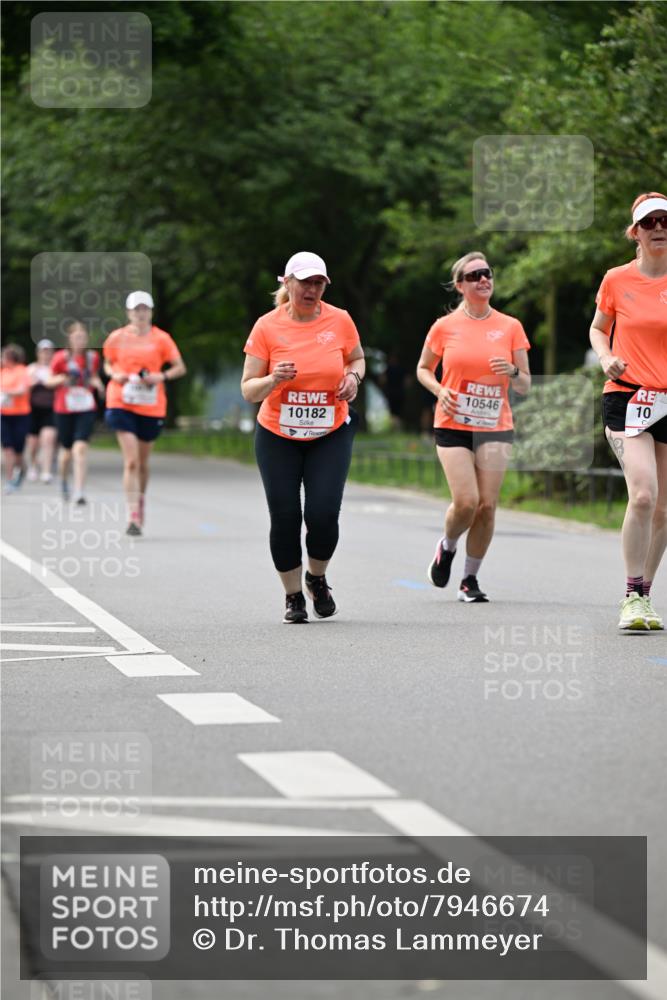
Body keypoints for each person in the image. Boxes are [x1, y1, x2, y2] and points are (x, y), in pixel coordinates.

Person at [241, 251, 365, 623]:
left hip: (330, 432)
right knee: (285, 517)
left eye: (318, 283)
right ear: (288, 283)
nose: (312, 290)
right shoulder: (266, 327)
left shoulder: (340, 320)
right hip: (277, 434)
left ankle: (317, 577)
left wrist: (353, 378)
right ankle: (293, 596)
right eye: (305, 283)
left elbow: (357, 359)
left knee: (322, 514)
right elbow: (248, 389)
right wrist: (273, 379)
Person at [416, 252, 531, 602]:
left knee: (487, 506)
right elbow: (423, 368)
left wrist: (513, 371)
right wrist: (440, 390)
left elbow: (525, 384)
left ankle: (469, 579)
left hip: (495, 425)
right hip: (453, 421)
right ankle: (447, 546)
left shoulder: (510, 326)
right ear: (460, 285)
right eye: (474, 275)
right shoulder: (444, 326)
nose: (483, 279)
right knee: (467, 502)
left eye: (487, 273)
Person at [589, 191, 667, 632]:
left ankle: (645, 597)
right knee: (643, 495)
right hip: (627, 397)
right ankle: (632, 595)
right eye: (649, 222)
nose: (659, 228)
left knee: (664, 509)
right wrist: (605, 357)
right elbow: (598, 329)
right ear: (635, 232)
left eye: (665, 221)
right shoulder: (617, 279)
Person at [103, 291, 186, 535]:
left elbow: (180, 367)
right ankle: (133, 516)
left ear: (150, 312)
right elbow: (107, 362)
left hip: (151, 404)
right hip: (121, 400)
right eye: (136, 309)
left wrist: (161, 376)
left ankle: (139, 500)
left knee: (142, 462)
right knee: (131, 461)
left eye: (144, 309)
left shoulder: (162, 339)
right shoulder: (117, 337)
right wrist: (114, 374)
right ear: (128, 312)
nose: (140, 313)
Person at [49, 322, 104, 504]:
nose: (80, 341)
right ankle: (64, 480)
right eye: (76, 337)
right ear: (69, 339)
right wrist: (62, 379)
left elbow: (93, 376)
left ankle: (80, 491)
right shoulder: (60, 358)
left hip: (86, 407)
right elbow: (49, 380)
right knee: (66, 452)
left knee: (80, 448)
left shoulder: (92, 357)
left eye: (83, 337)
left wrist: (98, 384)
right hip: (64, 408)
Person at [1, 344, 32, 493]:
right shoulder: (2, 372)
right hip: (4, 414)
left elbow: (22, 390)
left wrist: (5, 392)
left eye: (3, 356)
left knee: (18, 449)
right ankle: (9, 480)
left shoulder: (22, 371)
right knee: (8, 449)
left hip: (20, 414)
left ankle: (21, 470)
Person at [26, 338, 56, 483]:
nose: (46, 355)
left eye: (48, 352)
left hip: (51, 408)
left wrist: (50, 382)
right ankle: (32, 465)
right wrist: (34, 381)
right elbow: (24, 386)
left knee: (48, 439)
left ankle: (46, 471)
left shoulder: (55, 369)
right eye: (43, 352)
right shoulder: (31, 368)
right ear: (38, 353)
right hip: (33, 409)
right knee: (33, 442)